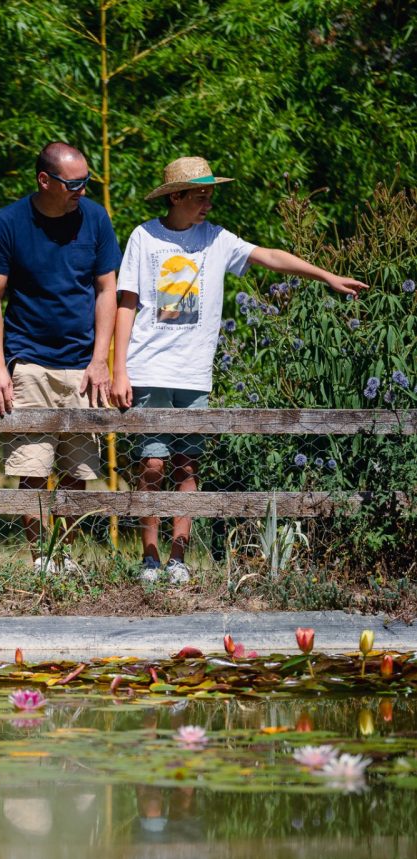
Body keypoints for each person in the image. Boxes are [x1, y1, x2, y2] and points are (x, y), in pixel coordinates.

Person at [112, 156, 368, 585]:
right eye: (200, 195)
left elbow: (268, 255)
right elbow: (127, 302)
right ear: (176, 196)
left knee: (187, 466)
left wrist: (325, 276)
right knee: (151, 466)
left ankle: (178, 558)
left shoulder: (217, 239)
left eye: (211, 193)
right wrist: (118, 369)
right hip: (149, 368)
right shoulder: (144, 236)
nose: (208, 202)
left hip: (193, 372)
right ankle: (149, 559)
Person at [0, 142, 122, 572]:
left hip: (83, 364)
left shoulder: (95, 218)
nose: (81, 190)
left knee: (79, 469)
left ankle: (67, 556)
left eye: (86, 182)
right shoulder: (9, 222)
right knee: (33, 467)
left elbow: (107, 290)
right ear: (44, 180)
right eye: (73, 183)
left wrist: (102, 360)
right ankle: (42, 557)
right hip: (30, 359)